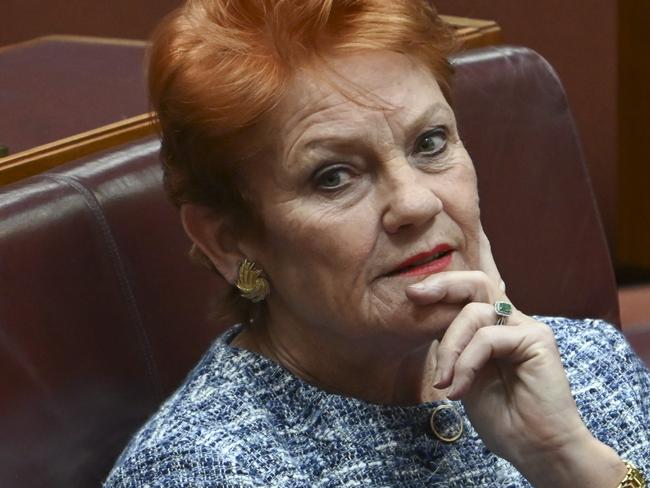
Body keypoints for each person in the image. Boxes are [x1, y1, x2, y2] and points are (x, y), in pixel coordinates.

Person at [105, 0, 649, 486]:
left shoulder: (583, 363)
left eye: (430, 142)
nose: (416, 203)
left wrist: (569, 461)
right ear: (231, 242)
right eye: (334, 176)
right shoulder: (204, 470)